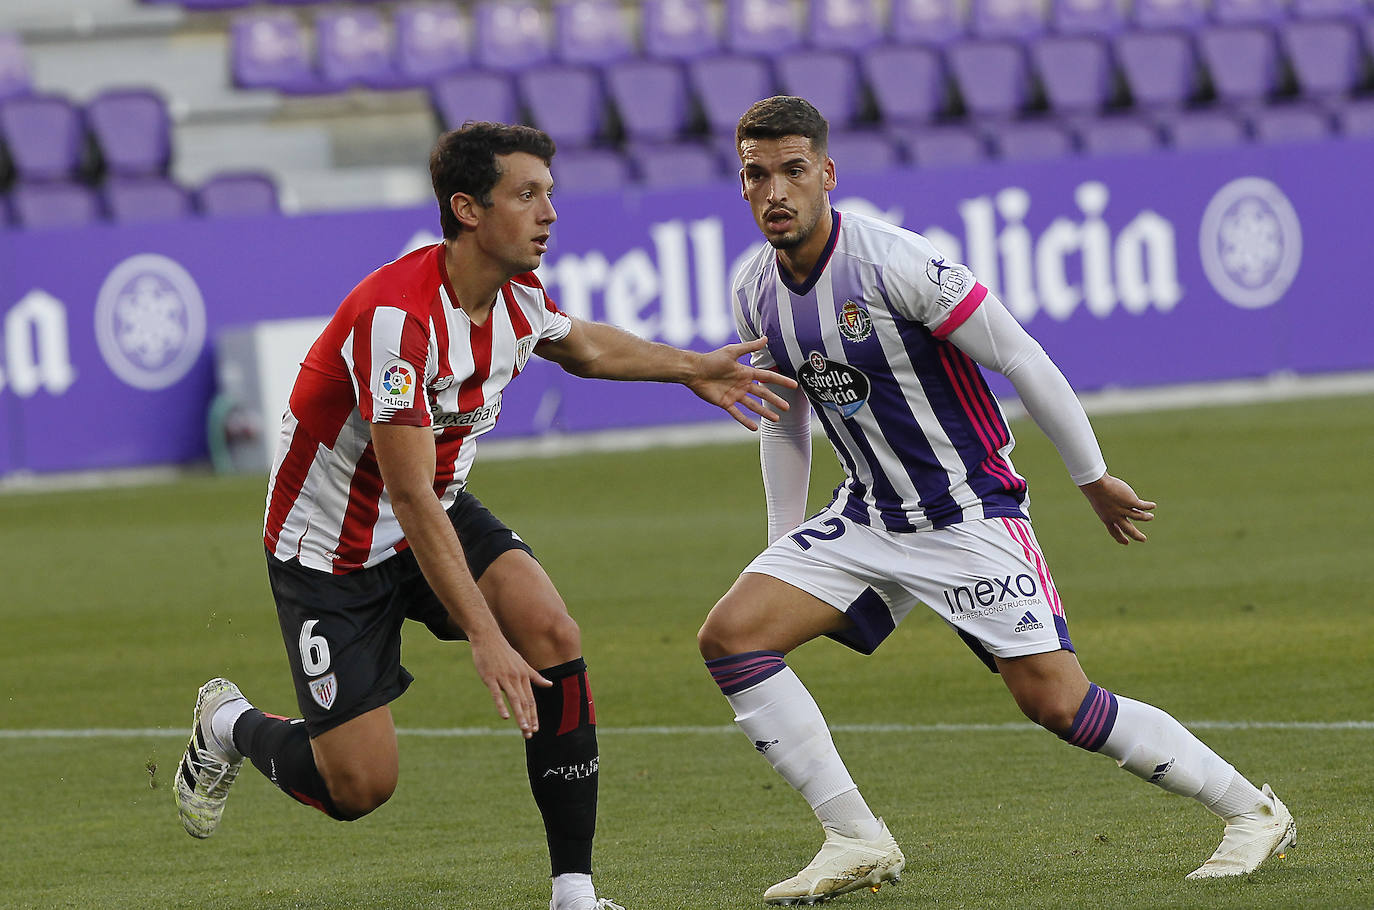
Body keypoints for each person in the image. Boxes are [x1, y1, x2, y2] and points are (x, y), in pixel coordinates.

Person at [173, 121, 795, 910]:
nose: (549, 213)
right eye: (527, 194)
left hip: (439, 507)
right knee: (359, 786)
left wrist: (691, 368)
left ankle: (574, 891)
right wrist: (483, 639)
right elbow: (405, 498)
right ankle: (229, 723)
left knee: (553, 633)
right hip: (333, 548)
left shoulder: (517, 296)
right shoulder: (396, 324)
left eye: (550, 194)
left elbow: (584, 348)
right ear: (468, 209)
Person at [696, 96, 1296, 905]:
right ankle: (853, 836)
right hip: (869, 515)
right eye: (757, 174)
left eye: (793, 171)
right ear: (742, 185)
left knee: (1059, 703)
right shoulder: (754, 290)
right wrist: (778, 545)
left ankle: (1251, 811)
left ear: (827, 175)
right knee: (732, 637)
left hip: (966, 514)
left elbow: (1021, 355)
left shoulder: (893, 262)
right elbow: (785, 418)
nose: (776, 191)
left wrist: (1092, 476)